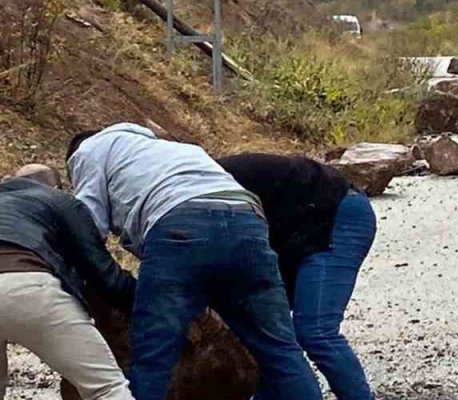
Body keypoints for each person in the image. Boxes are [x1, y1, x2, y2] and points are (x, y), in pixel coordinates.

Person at [67, 123, 322, 400]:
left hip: (181, 224)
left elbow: (87, 225)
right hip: (248, 223)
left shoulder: (88, 150)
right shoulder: (177, 150)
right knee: (280, 349)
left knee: (153, 355)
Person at [216, 153, 376, 400]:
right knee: (272, 334)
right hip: (292, 231)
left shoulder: (199, 188)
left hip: (336, 215)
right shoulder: (193, 184)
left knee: (316, 330)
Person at [0, 164, 136, 400]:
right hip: (26, 286)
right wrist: (146, 296)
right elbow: (103, 274)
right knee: (105, 388)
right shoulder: (58, 200)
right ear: (56, 186)